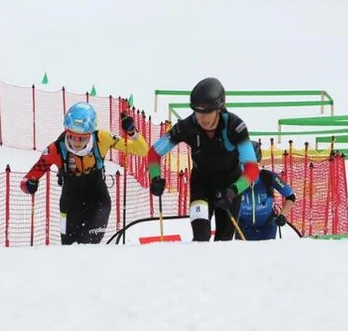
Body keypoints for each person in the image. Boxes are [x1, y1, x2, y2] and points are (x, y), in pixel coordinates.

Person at [147, 77, 259, 242]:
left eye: (208, 112)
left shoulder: (235, 127)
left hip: (230, 186)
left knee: (224, 241)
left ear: (219, 109)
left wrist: (233, 191)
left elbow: (252, 169)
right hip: (201, 185)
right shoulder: (186, 126)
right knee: (200, 238)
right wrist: (155, 177)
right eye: (199, 112)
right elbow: (154, 153)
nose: (203, 118)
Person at [20, 102, 147, 245]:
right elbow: (27, 180)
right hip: (69, 205)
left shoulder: (102, 139)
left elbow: (141, 150)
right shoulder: (55, 149)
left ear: (90, 134)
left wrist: (132, 132)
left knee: (88, 244)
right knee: (68, 249)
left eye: (82, 138)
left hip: (98, 201)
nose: (76, 142)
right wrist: (30, 184)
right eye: (72, 136)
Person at [236, 141, 296, 240]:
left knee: (267, 255)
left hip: (267, 228)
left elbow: (291, 196)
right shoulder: (234, 179)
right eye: (243, 162)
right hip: (242, 227)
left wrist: (283, 215)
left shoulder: (268, 177)